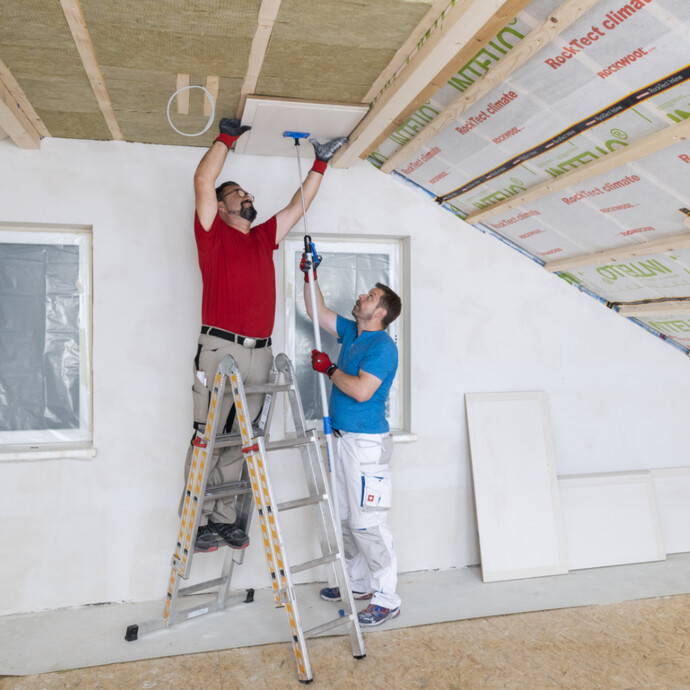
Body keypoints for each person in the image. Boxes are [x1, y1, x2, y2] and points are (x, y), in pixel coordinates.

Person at [187, 118, 346, 552]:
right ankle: (198, 521)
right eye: (239, 194)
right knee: (209, 437)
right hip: (220, 347)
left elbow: (298, 205)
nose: (248, 197)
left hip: (260, 352)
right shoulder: (212, 235)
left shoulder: (262, 239)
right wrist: (227, 139)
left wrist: (320, 163)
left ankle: (221, 520)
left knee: (241, 438)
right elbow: (204, 178)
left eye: (249, 194)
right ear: (220, 207)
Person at [301, 251, 402, 628]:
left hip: (366, 446)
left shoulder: (381, 348)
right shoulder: (352, 333)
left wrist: (328, 369)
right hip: (341, 440)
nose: (362, 296)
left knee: (369, 524)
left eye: (370, 297)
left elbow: (361, 391)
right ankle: (359, 582)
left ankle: (387, 597)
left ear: (380, 313)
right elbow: (317, 310)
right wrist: (312, 273)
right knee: (345, 517)